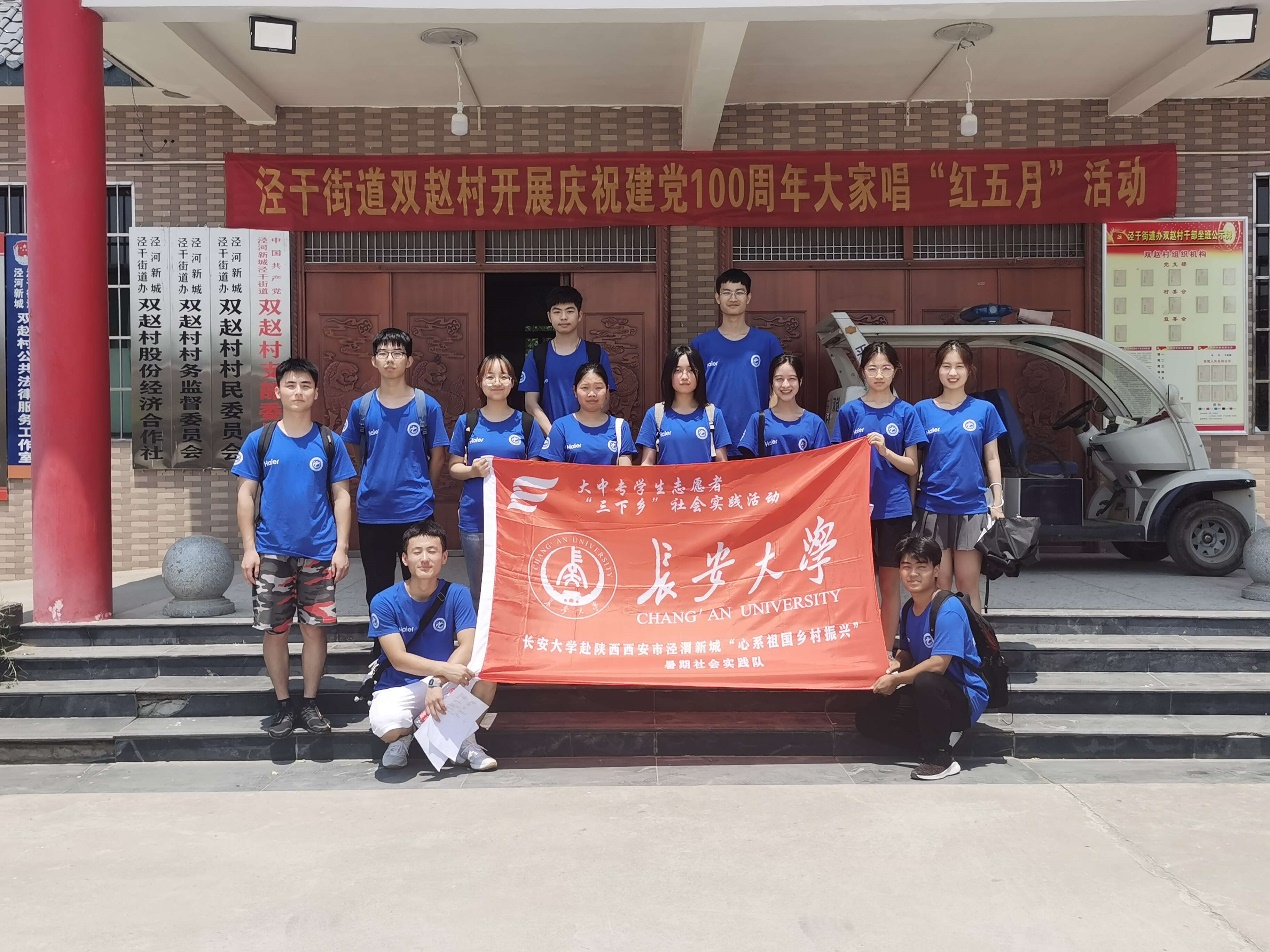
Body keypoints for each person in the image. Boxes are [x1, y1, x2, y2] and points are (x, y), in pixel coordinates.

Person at [233, 357, 356, 739]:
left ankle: (310, 702)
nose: (298, 392)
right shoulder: (261, 440)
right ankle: (284, 703)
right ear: (277, 391)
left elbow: (342, 497)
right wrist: (249, 549)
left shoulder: (330, 442)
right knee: (275, 630)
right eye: (291, 385)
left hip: (319, 552)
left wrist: (341, 548)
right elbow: (245, 495)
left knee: (315, 631)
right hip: (272, 552)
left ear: (316, 393)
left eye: (305, 385)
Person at [855, 533, 990, 781]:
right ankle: (935, 738)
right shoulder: (908, 609)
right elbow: (907, 652)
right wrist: (894, 665)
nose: (913, 574)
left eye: (921, 567)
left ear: (936, 570)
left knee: (927, 680)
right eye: (906, 566)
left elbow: (939, 665)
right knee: (867, 719)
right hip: (928, 693)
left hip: (963, 696)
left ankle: (940, 758)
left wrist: (897, 680)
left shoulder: (948, 609)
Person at [368, 519, 498, 772]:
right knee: (386, 725)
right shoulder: (384, 601)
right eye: (417, 552)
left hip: (444, 681)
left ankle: (464, 740)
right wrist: (440, 673)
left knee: (487, 675)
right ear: (405, 559)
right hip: (400, 684)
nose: (425, 559)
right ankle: (404, 737)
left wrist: (436, 681)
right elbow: (398, 659)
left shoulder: (457, 594)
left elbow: (468, 645)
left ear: (444, 557)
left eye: (432, 551)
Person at [340, 328, 449, 608]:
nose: (390, 359)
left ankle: (419, 636)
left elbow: (438, 456)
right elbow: (358, 450)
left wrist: (423, 489)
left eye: (398, 353)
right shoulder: (361, 407)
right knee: (378, 589)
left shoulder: (427, 405)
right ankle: (383, 638)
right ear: (374, 360)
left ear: (409, 360)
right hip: (373, 513)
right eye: (383, 353)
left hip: (416, 511)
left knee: (421, 585)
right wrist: (372, 476)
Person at [833, 342, 927, 645]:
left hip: (895, 509)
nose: (878, 375)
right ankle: (858, 647)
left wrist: (886, 452)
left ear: (895, 371)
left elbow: (912, 466)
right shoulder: (850, 412)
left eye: (885, 368)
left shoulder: (906, 412)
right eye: (872, 368)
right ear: (862, 371)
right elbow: (837, 463)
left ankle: (885, 650)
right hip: (856, 510)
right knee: (857, 583)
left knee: (889, 583)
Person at [914, 340, 1006, 615]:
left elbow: (992, 457)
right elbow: (914, 462)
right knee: (939, 585)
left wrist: (997, 500)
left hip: (972, 509)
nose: (952, 373)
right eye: (946, 366)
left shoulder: (984, 410)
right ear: (937, 370)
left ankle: (973, 640)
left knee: (967, 586)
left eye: (959, 366)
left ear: (969, 370)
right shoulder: (922, 410)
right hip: (933, 508)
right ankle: (938, 639)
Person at [449, 354, 539, 607]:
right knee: (479, 588)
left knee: (516, 586)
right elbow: (454, 467)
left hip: (515, 518)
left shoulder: (526, 423)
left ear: (512, 382)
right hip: (475, 517)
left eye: (503, 376)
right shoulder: (467, 422)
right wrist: (472, 471)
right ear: (479, 382)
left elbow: (536, 469)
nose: (497, 382)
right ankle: (480, 632)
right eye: (490, 376)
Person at [690, 269, 783, 458]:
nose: (733, 298)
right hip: (711, 439)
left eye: (739, 292)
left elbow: (779, 389)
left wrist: (772, 429)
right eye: (726, 292)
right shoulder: (701, 345)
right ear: (717, 297)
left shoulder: (767, 343)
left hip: (757, 438)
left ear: (748, 297)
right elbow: (690, 392)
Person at [521, 285, 615, 434]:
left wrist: (579, 434)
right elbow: (531, 404)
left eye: (569, 311)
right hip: (549, 438)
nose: (563, 317)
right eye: (557, 312)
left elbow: (605, 400)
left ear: (580, 315)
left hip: (589, 436)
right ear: (549, 317)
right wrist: (554, 434)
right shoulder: (537, 355)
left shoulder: (595, 353)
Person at [637, 345, 732, 465]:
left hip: (703, 478)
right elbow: (647, 464)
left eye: (691, 370)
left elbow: (722, 463)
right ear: (669, 374)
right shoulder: (655, 414)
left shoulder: (713, 414)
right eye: (678, 370)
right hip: (668, 478)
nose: (685, 377)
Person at [535, 362, 636, 465]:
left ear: (607, 390)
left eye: (598, 388)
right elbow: (554, 471)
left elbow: (625, 471)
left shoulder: (620, 427)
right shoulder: (561, 427)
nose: (592, 394)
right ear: (575, 391)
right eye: (585, 388)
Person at [736, 353, 830, 459]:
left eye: (792, 379)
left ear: (800, 381)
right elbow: (749, 462)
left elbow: (824, 462)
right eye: (779, 379)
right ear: (772, 383)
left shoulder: (815, 423)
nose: (785, 385)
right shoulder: (758, 420)